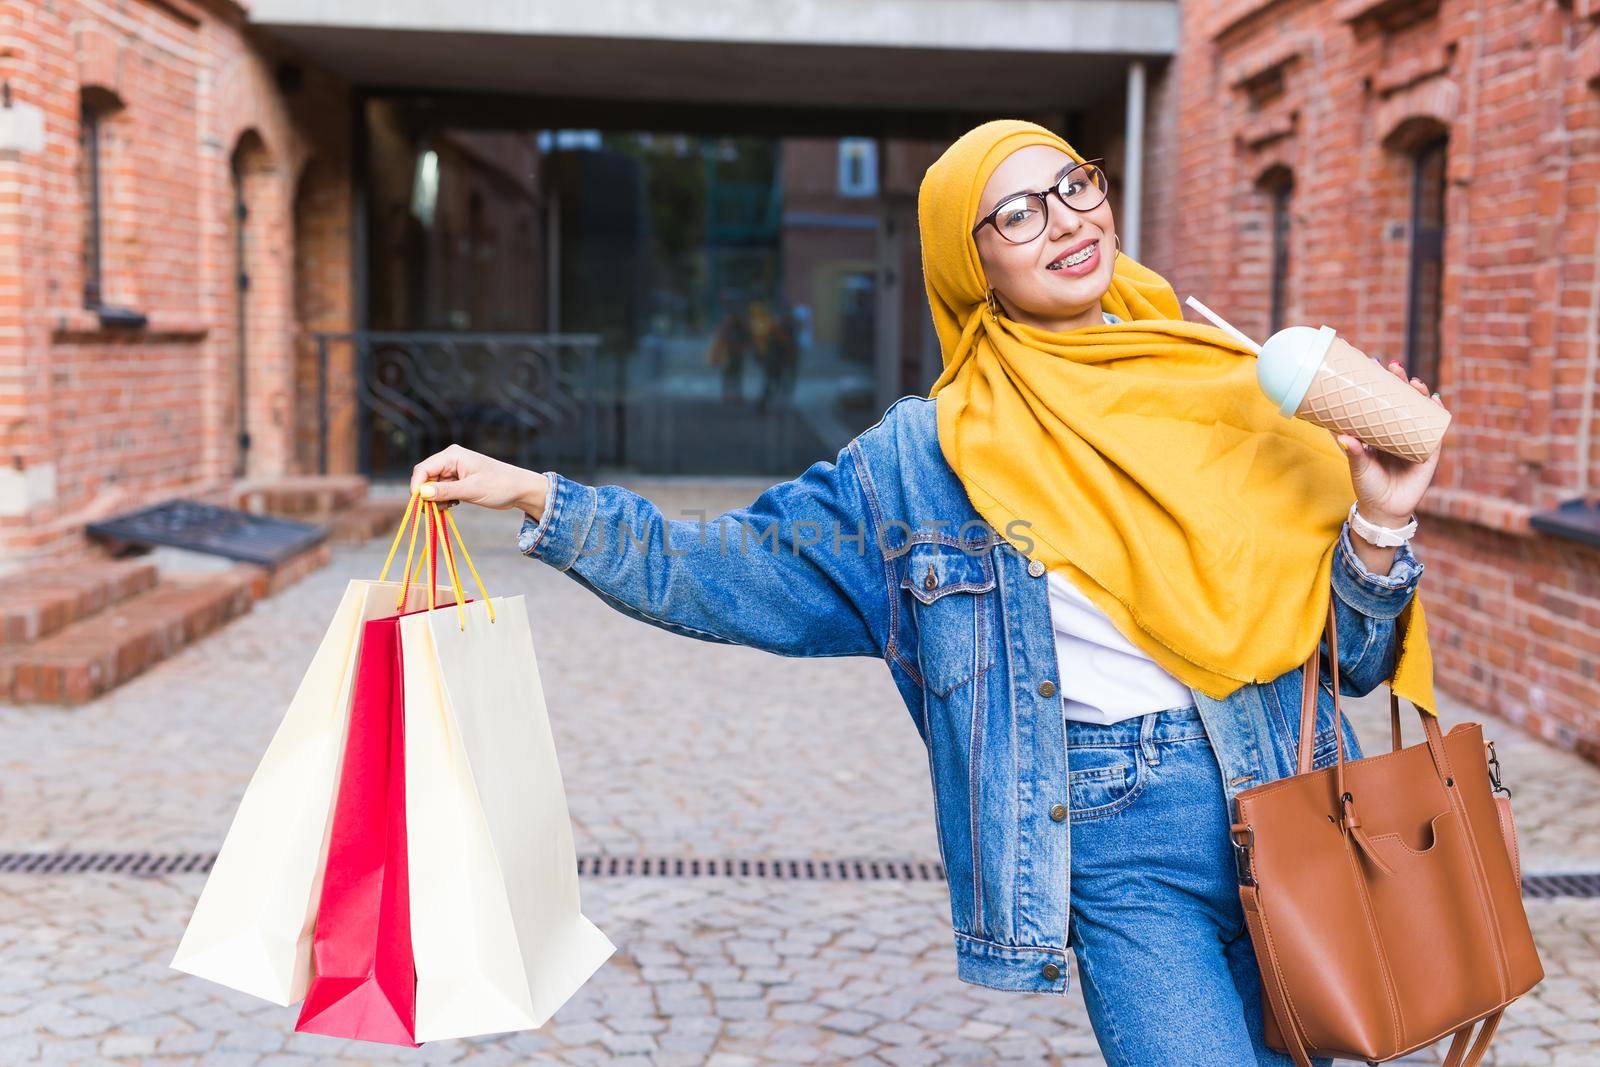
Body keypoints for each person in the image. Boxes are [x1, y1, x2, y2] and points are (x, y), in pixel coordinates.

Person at [410, 120, 1445, 1066]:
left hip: (1295, 795)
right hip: (1120, 848)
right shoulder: (925, 458)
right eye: (1017, 212)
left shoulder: (1234, 380)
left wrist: (1380, 518)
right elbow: (725, 570)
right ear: (971, 259)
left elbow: (1349, 660)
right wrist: (540, 496)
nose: (1067, 220)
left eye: (1073, 184)